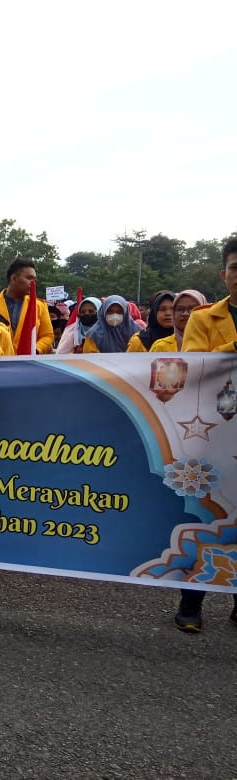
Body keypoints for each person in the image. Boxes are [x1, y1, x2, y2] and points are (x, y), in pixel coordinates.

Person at [173, 239, 237, 632]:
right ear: (224, 274)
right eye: (236, 268)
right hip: (216, 429)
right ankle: (191, 602)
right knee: (209, 512)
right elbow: (197, 366)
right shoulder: (203, 319)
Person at [0, 259, 54, 354]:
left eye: (35, 280)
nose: (33, 283)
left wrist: (35, 350)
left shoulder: (40, 305)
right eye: (29, 278)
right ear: (14, 278)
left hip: (28, 363)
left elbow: (48, 335)